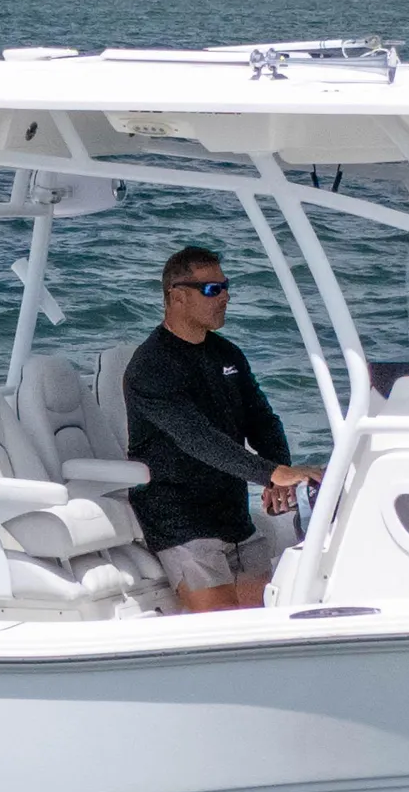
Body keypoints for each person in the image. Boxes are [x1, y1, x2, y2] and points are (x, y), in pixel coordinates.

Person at [123, 244, 320, 610]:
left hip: (233, 516)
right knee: (224, 629)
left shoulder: (227, 355)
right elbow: (197, 439)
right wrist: (271, 472)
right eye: (212, 290)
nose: (225, 297)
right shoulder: (151, 367)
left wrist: (275, 473)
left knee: (260, 626)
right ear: (177, 296)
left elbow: (262, 420)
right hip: (182, 521)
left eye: (225, 286)